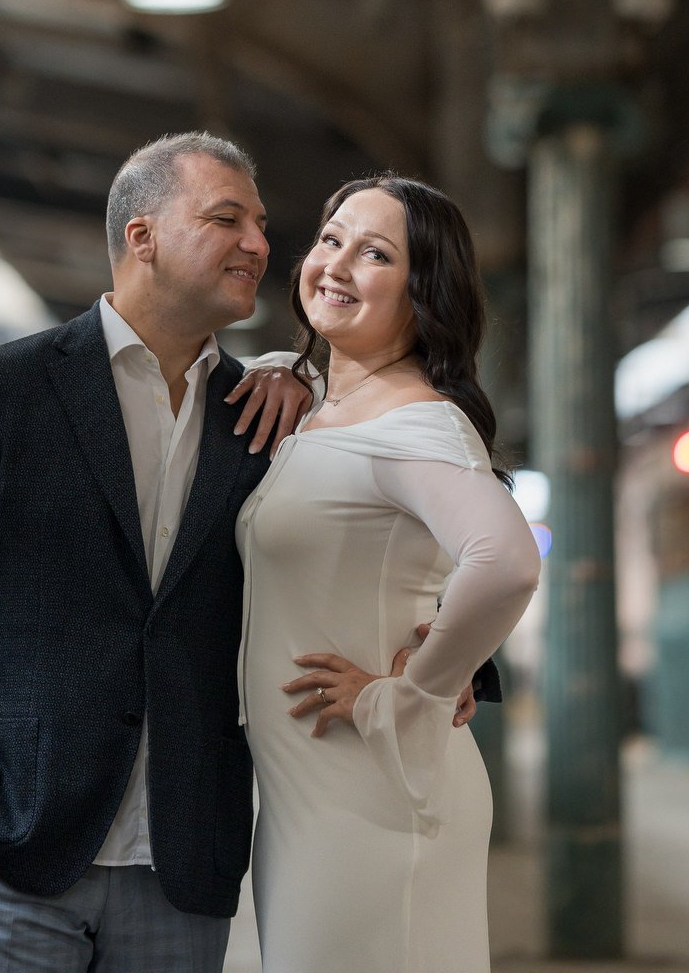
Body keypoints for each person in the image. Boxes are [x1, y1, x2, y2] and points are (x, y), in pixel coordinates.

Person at [0, 132, 314, 972]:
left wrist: (444, 662)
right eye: (226, 219)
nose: (259, 244)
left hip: (184, 859)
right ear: (140, 238)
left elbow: (372, 541)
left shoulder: (263, 416)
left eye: (259, 224)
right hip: (7, 847)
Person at [237, 174, 542, 973]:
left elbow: (506, 562)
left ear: (425, 292)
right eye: (330, 239)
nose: (335, 264)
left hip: (370, 785)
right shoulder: (326, 407)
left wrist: (417, 688)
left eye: (374, 254)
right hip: (312, 788)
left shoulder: (415, 423)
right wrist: (284, 365)